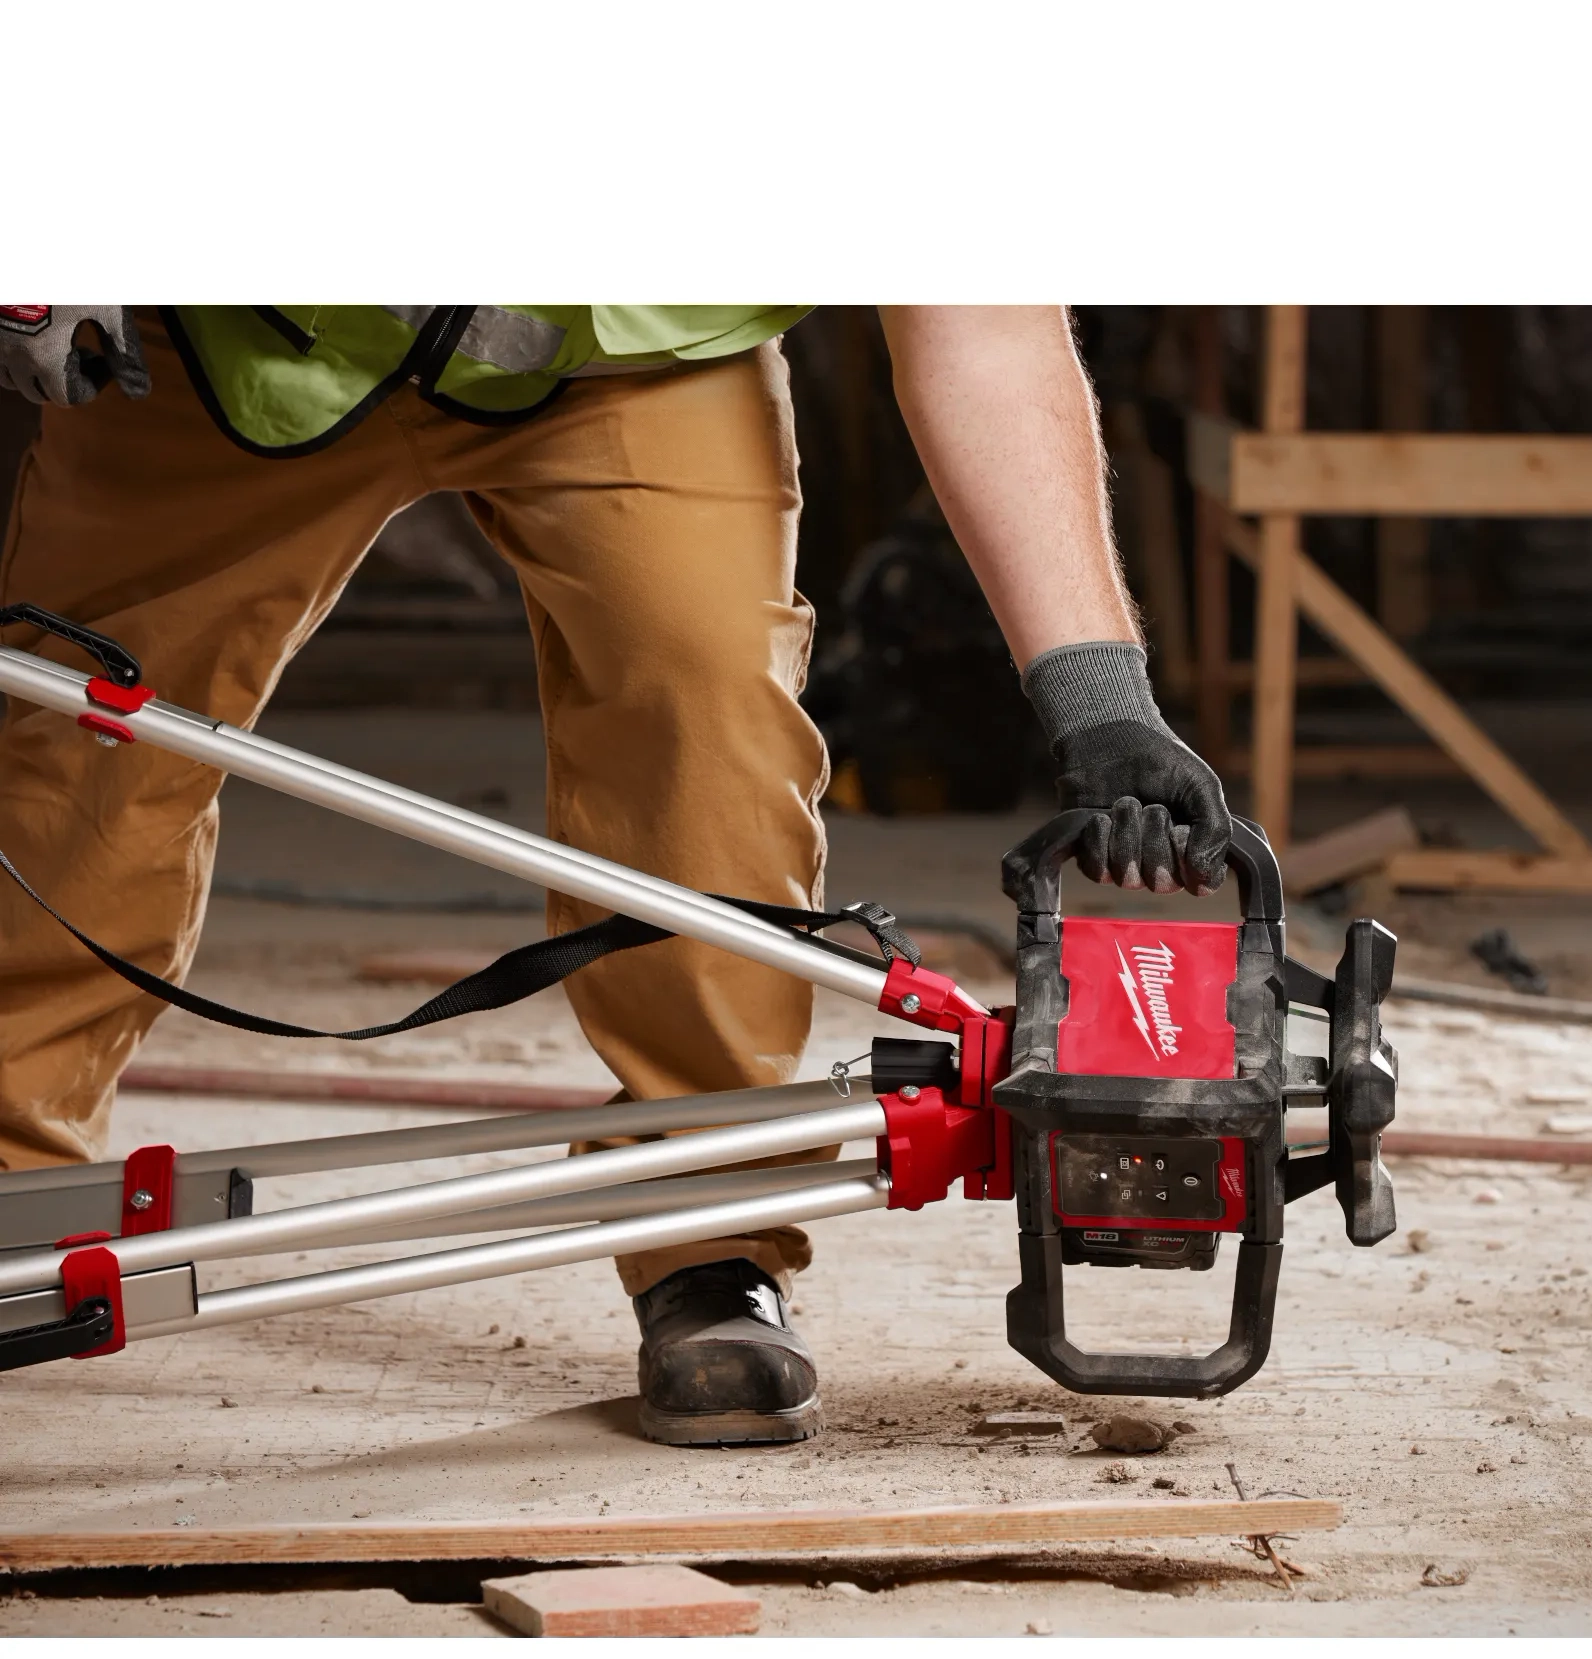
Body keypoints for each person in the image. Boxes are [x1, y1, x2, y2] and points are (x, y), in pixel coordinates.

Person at [0, 303, 1233, 1446]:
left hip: (627, 348)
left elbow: (981, 321)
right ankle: (9, 1182)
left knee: (704, 725)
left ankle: (706, 1235)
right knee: (74, 743)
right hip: (234, 345)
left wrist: (1096, 696)